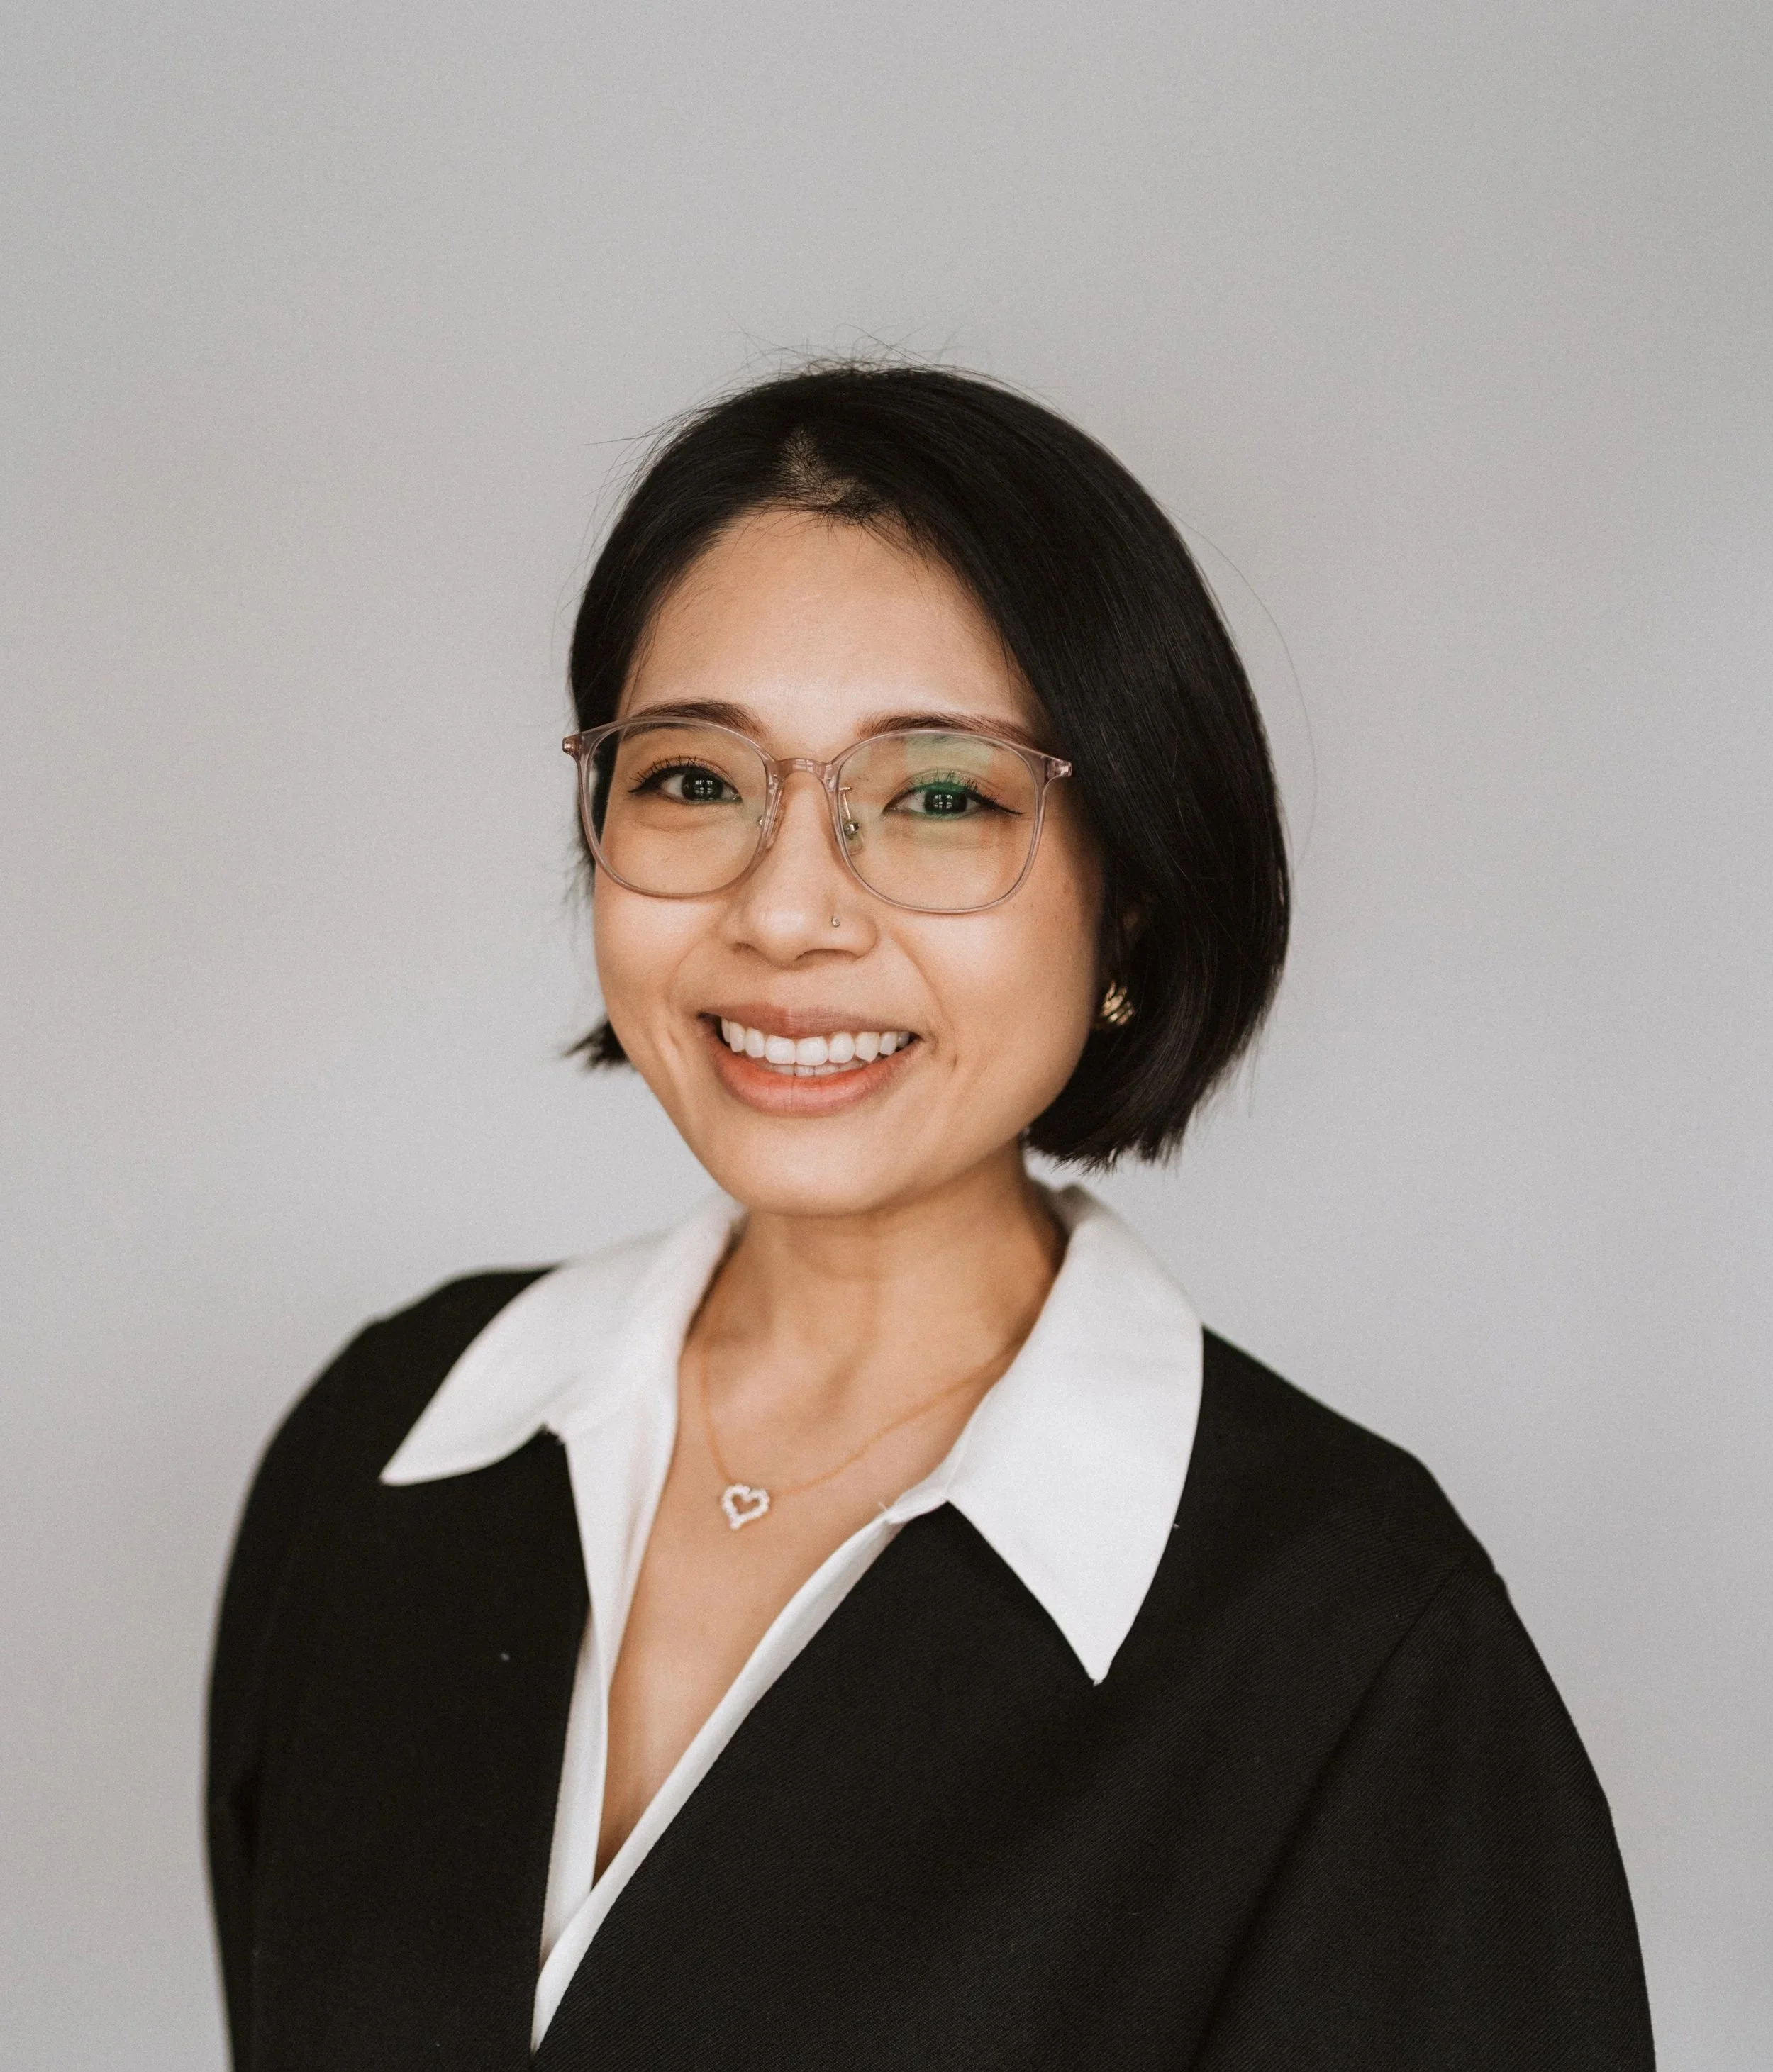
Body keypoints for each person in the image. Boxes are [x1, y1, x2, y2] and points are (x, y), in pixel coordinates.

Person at [206, 364, 1655, 2071]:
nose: (786, 912)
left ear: (1131, 900)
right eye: (693, 780)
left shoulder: (1352, 1648)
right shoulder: (385, 1451)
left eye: (940, 797)